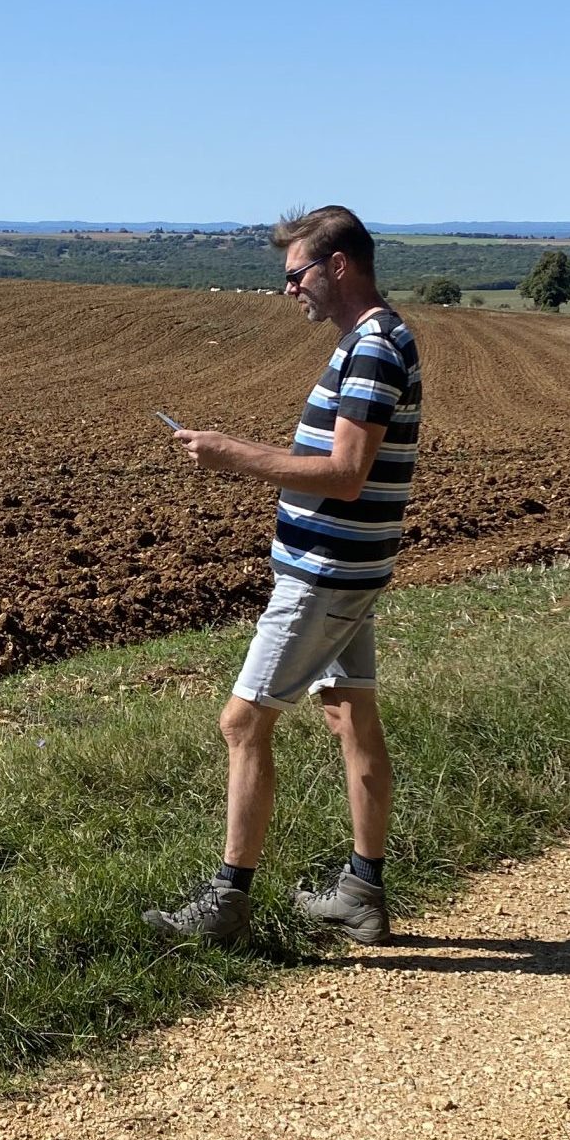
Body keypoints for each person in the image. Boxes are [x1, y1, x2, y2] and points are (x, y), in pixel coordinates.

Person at [143, 204, 421, 948]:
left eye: (295, 275)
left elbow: (346, 472)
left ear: (337, 266)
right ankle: (362, 894)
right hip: (348, 571)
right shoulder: (373, 340)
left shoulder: (373, 349)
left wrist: (234, 456)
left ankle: (225, 908)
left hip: (327, 576)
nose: (288, 289)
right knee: (349, 715)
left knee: (241, 722)